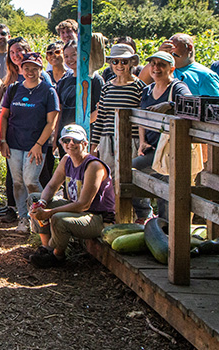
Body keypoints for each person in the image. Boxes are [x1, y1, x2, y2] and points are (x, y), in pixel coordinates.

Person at [29, 124, 115, 268]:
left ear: (85, 143)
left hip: (96, 217)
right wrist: (42, 203)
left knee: (58, 218)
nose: (71, 144)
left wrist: (49, 213)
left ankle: (57, 256)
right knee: (34, 199)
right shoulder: (66, 160)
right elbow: (51, 186)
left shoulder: (93, 166)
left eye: (75, 140)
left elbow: (84, 204)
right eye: (66, 140)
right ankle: (46, 249)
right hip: (77, 209)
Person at [0, 52, 60, 233]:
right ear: (21, 69)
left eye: (34, 68)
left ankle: (40, 218)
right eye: (26, 68)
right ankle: (23, 218)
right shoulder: (14, 89)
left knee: (31, 180)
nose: (30, 71)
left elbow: (52, 122)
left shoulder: (49, 92)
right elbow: (4, 116)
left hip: (36, 145)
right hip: (14, 143)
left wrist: (39, 144)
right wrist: (2, 140)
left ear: (41, 70)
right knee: (17, 181)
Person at [132, 51, 191, 223]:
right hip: (152, 148)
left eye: (161, 65)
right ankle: (144, 215)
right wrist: (142, 141)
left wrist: (169, 105)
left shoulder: (178, 87)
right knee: (130, 172)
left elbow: (191, 104)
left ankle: (166, 227)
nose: (156, 68)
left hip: (170, 149)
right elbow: (141, 118)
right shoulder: (147, 90)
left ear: (171, 68)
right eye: (153, 64)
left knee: (167, 186)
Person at [90, 44, 145, 176]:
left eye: (124, 61)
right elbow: (101, 117)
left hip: (131, 139)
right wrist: (94, 145)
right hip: (107, 139)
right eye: (115, 61)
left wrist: (142, 142)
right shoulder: (107, 87)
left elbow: (143, 117)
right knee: (108, 177)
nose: (119, 65)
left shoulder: (139, 87)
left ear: (131, 63)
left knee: (128, 177)